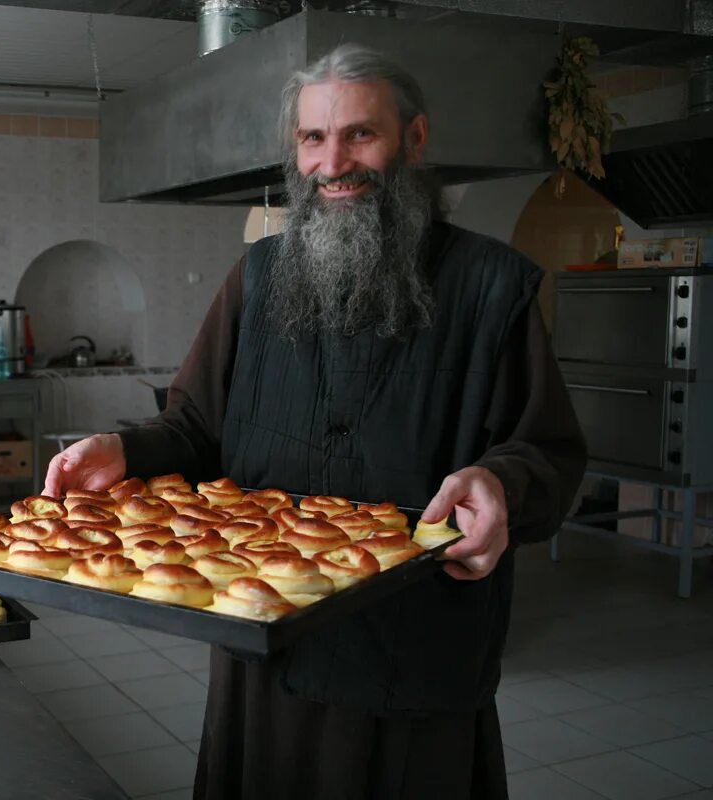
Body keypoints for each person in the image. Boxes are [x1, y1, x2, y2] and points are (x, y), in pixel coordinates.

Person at [44, 42, 587, 800]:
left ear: (414, 139)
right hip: (264, 644)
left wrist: (502, 483)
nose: (335, 162)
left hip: (414, 656)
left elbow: (551, 453)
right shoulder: (257, 278)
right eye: (313, 138)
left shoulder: (492, 287)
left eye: (360, 133)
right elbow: (195, 428)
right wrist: (125, 449)